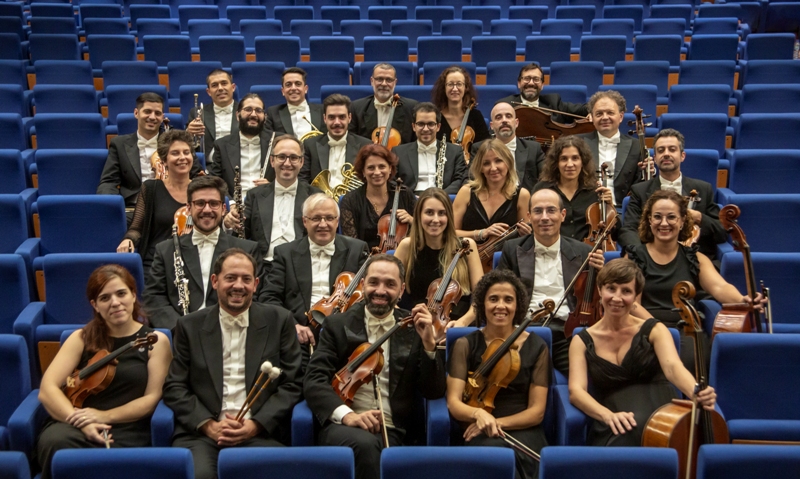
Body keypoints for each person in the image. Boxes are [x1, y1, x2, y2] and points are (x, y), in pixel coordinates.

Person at [163, 249, 303, 479]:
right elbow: (175, 387)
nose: (239, 285)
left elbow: (293, 384)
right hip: (201, 435)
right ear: (215, 281)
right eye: (230, 278)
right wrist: (208, 425)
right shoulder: (189, 325)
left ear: (256, 284)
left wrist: (255, 424)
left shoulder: (280, 320)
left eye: (246, 279)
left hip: (261, 433)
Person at [303, 254, 445, 479]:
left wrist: (429, 344)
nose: (380, 290)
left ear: (401, 290)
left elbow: (433, 391)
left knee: (373, 445)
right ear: (362, 284)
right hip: (343, 427)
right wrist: (348, 416)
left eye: (390, 284)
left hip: (392, 429)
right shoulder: (337, 324)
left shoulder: (414, 328)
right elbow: (314, 381)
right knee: (367, 446)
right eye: (374, 282)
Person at [36, 265, 172, 479]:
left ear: (134, 295)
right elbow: (48, 389)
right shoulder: (81, 338)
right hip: (75, 423)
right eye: (105, 298)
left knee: (117, 459)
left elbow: (152, 398)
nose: (115, 303)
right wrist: (80, 420)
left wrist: (103, 416)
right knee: (56, 441)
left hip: (127, 425)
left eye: (121, 293)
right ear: (95, 305)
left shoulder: (156, 341)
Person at [568, 258, 717, 447]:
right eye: (611, 288)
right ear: (599, 290)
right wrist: (607, 416)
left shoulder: (655, 329)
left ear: (636, 296)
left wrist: (696, 391)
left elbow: (673, 367)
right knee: (623, 433)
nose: (617, 297)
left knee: (645, 430)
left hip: (659, 410)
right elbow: (576, 391)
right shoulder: (581, 340)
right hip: (615, 416)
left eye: (626, 291)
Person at [625, 190, 765, 369]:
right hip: (644, 326)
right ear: (649, 220)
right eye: (657, 217)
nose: (664, 223)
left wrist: (743, 300)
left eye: (671, 217)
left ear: (683, 221)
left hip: (685, 328)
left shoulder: (695, 258)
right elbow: (633, 305)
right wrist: (658, 329)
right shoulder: (635, 256)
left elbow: (720, 288)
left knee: (694, 360)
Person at [446, 269, 550, 479]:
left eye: (508, 300)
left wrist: (496, 422)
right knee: (493, 463)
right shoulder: (465, 345)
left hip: (522, 429)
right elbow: (454, 403)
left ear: (517, 305)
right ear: (483, 305)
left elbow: (537, 412)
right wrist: (478, 414)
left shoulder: (537, 346)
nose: (500, 306)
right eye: (493, 299)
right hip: (477, 427)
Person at [491, 189, 605, 378]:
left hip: (567, 335)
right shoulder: (512, 249)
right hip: (525, 332)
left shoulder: (584, 252)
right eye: (538, 211)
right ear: (528, 216)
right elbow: (499, 293)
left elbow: (598, 300)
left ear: (562, 215)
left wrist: (601, 275)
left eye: (551, 211)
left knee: (591, 377)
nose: (545, 217)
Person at [143, 175, 262, 330]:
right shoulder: (166, 250)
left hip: (232, 330)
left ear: (223, 208)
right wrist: (181, 329)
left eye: (213, 203)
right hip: (181, 335)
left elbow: (256, 297)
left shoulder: (247, 250)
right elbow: (153, 298)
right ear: (188, 208)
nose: (207, 210)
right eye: (200, 203)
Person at [261, 194, 369, 348]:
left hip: (343, 333)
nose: (323, 224)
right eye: (316, 218)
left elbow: (366, 297)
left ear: (337, 221)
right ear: (305, 221)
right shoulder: (285, 253)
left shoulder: (357, 250)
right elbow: (269, 297)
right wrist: (292, 325)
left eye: (329, 218)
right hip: (299, 334)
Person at [619, 129, 725, 261]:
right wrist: (642, 254)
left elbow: (722, 231)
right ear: (655, 158)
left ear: (682, 156)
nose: (666, 154)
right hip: (651, 260)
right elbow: (629, 229)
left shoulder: (703, 188)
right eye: (661, 150)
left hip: (693, 260)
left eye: (672, 149)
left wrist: (700, 218)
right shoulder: (639, 190)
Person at [97, 93, 202, 220]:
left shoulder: (177, 143)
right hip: (133, 209)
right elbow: (109, 182)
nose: (152, 117)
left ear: (163, 117)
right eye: (147, 111)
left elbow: (197, 176)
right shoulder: (119, 144)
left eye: (157, 113)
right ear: (136, 113)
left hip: (172, 207)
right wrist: (110, 206)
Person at [224, 135, 321, 272]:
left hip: (303, 268)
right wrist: (230, 223)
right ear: (272, 160)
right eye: (281, 157)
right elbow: (241, 234)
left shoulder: (316, 196)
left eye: (293, 158)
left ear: (301, 162)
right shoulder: (254, 195)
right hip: (263, 268)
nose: (287, 163)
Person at [394, 188, 484, 327]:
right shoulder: (407, 246)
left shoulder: (467, 246)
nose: (436, 219)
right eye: (429, 212)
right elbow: (390, 294)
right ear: (418, 215)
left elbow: (481, 298)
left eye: (442, 213)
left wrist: (462, 322)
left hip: (458, 325)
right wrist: (407, 320)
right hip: (418, 325)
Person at [116, 130, 196, 272]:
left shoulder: (202, 190)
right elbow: (136, 228)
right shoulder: (151, 188)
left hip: (193, 262)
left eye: (186, 152)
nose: (182, 157)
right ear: (164, 160)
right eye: (175, 153)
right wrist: (128, 239)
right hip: (156, 263)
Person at [453, 139, 531, 270]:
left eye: (498, 161)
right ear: (480, 168)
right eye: (486, 163)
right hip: (464, 262)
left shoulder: (522, 195)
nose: (493, 168)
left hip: (505, 265)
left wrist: (526, 234)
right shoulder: (466, 192)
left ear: (508, 163)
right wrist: (480, 233)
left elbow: (524, 242)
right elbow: (450, 233)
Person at [532, 135, 614, 242]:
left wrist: (610, 206)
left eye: (575, 158)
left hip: (587, 251)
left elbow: (613, 232)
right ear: (556, 163)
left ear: (582, 162)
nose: (570, 164)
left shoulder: (595, 191)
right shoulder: (542, 190)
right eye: (564, 159)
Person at [577, 90, 648, 210]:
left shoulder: (636, 146)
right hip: (585, 210)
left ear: (620, 117)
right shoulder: (578, 144)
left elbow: (642, 186)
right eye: (599, 114)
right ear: (592, 118)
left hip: (623, 211)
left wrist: (648, 172)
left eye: (610, 113)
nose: (605, 118)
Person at [340, 144, 416, 250]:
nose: (377, 172)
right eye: (371, 168)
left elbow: (423, 232)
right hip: (365, 260)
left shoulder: (404, 194)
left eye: (382, 166)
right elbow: (351, 244)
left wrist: (412, 221)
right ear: (363, 172)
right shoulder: (350, 201)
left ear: (390, 169)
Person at [208, 93, 277, 199]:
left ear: (265, 117)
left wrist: (273, 186)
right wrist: (230, 204)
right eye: (248, 109)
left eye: (259, 111)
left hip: (269, 202)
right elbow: (216, 181)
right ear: (237, 115)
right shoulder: (222, 145)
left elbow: (293, 176)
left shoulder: (278, 142)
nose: (253, 114)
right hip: (234, 205)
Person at [393, 102, 469, 195]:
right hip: (410, 200)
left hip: (444, 199)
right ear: (413, 127)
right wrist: (410, 198)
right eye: (421, 124)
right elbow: (392, 181)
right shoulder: (398, 152)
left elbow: (459, 180)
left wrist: (439, 197)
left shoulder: (455, 151)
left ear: (438, 127)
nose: (425, 129)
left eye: (430, 124)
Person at [300, 93, 372, 187]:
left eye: (342, 117)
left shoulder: (365, 145)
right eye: (331, 117)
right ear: (325, 118)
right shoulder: (309, 145)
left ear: (349, 118)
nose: (337, 122)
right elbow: (302, 180)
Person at [470, 102, 544, 192]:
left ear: (516, 123)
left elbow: (546, 179)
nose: (504, 120)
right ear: (491, 126)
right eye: (498, 117)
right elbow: (472, 179)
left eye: (508, 116)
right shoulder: (479, 148)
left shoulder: (534, 148)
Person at [349, 63, 419, 145]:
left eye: (389, 80)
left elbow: (415, 143)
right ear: (372, 81)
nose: (384, 84)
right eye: (379, 79)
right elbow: (352, 141)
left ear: (395, 82)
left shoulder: (411, 107)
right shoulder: (356, 107)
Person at [497, 63, 589, 124]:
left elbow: (583, 109)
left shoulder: (553, 102)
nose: (531, 83)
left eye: (536, 79)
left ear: (542, 85)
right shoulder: (505, 105)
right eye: (527, 78)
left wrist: (594, 112)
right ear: (519, 83)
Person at [431, 65, 490, 146]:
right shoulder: (436, 118)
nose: (455, 89)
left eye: (459, 84)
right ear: (444, 88)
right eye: (450, 84)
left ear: (466, 87)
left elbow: (485, 147)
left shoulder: (475, 116)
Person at [188, 69, 239, 158]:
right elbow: (187, 144)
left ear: (233, 87)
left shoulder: (246, 112)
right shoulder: (197, 113)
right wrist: (189, 133)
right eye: (214, 85)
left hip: (237, 166)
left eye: (224, 83)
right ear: (209, 92)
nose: (220, 88)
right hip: (208, 167)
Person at [265, 67, 327, 139]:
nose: (293, 88)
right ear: (283, 91)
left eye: (298, 84)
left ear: (305, 89)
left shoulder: (323, 110)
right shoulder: (273, 113)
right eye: (288, 85)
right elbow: (268, 138)